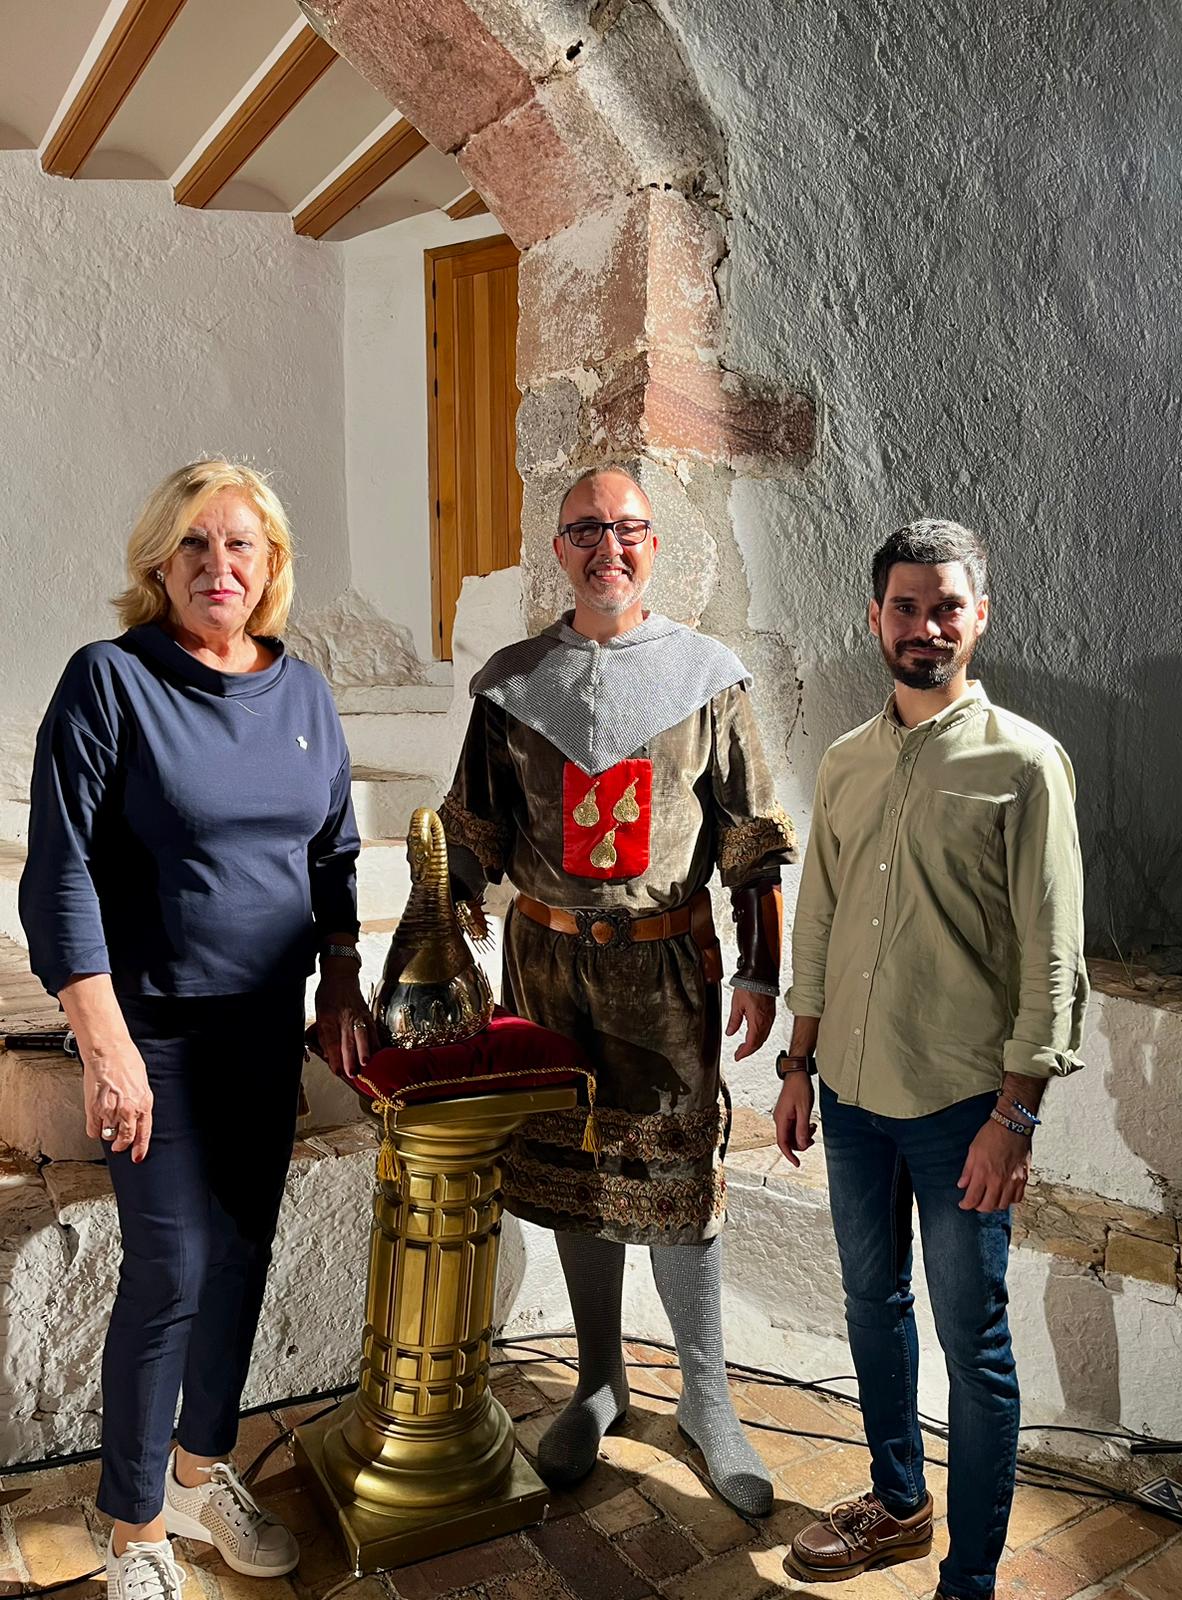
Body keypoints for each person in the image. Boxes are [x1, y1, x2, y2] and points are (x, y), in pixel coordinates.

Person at [19, 461, 373, 1599]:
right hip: (152, 1034)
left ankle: (199, 1467)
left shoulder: (305, 694)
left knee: (239, 1263)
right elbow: (59, 874)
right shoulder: (111, 682)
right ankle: (132, 1527)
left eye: (242, 548)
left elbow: (333, 856)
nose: (220, 568)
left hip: (262, 1036)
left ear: (269, 568)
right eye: (196, 547)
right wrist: (104, 1039)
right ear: (158, 565)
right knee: (169, 1266)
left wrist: (340, 982)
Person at [439, 465, 795, 1516]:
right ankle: (599, 1379)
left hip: (666, 976)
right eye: (586, 529)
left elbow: (751, 840)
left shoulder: (706, 676)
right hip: (546, 971)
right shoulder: (511, 683)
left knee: (679, 1187)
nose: (610, 548)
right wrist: (440, 940)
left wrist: (763, 967)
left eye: (629, 529)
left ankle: (707, 1398)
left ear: (655, 546)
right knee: (572, 1173)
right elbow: (473, 833)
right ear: (558, 548)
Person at [774, 520, 1087, 1599]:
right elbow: (818, 922)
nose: (924, 626)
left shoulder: (1027, 763)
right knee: (871, 1304)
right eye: (904, 606)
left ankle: (972, 1579)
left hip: (964, 1110)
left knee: (976, 1346)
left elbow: (1055, 955)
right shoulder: (848, 762)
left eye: (946, 605)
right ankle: (898, 1502)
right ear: (875, 618)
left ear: (980, 617)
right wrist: (795, 1065)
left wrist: (1019, 1114)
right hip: (852, 1101)